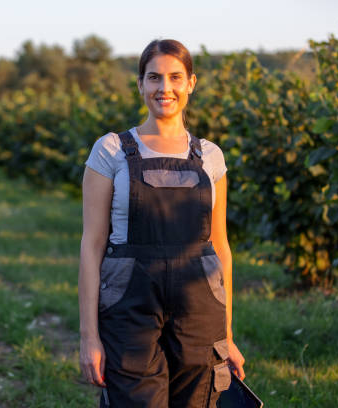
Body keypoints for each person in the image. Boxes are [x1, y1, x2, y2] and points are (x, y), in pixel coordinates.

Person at [78, 39, 246, 407]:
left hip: (200, 308)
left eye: (174, 77)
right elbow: (91, 246)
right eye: (154, 78)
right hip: (129, 306)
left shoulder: (211, 157)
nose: (164, 88)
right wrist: (89, 336)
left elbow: (220, 247)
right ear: (140, 84)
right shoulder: (111, 151)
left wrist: (227, 335)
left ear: (191, 83)